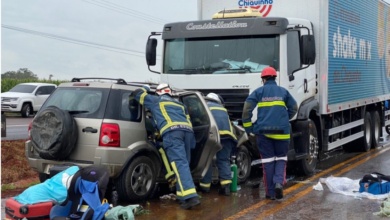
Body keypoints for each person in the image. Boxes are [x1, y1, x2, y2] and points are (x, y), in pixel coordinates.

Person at [131, 83, 200, 209]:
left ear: (158, 92)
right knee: (184, 164)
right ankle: (182, 196)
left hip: (173, 133)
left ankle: (191, 197)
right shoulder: (180, 105)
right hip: (188, 133)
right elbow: (188, 120)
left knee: (179, 164)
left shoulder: (155, 101)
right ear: (169, 92)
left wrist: (145, 88)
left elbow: (137, 94)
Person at [241, 67, 297, 200]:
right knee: (281, 159)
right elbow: (294, 108)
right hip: (282, 133)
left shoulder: (259, 92)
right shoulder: (283, 91)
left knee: (268, 162)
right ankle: (279, 182)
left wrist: (249, 128)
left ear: (263, 79)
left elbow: (246, 110)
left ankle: (270, 193)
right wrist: (283, 119)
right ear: (275, 78)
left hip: (264, 134)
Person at [199, 93, 237, 196]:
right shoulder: (223, 109)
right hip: (227, 137)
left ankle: (205, 187)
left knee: (208, 161)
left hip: (213, 136)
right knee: (223, 160)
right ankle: (226, 188)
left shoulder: (205, 107)